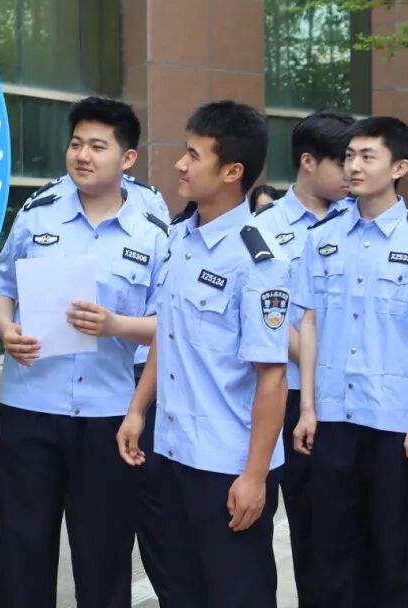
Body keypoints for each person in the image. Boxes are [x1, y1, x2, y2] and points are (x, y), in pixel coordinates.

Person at [0, 97, 168, 608]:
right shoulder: (36, 214)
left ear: (127, 158)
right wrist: (5, 328)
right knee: (22, 550)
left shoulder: (152, 233)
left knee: (103, 554)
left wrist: (116, 325)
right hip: (28, 406)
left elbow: (169, 327)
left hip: (107, 414)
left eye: (97, 146)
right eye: (76, 144)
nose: (82, 155)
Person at [118, 100, 289, 608]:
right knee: (180, 592)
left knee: (238, 595)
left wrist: (254, 476)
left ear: (233, 171)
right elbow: (167, 338)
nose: (180, 164)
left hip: (226, 465)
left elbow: (272, 377)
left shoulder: (258, 260)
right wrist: (137, 409)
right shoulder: (178, 239)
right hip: (170, 452)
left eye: (194, 155)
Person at [294, 117, 408, 608]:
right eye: (350, 156)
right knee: (334, 552)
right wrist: (307, 408)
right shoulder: (322, 237)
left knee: (395, 554)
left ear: (399, 167)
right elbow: (308, 323)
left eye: (368, 156)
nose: (354, 166)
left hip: (394, 422)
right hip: (333, 416)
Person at [247, 110, 356, 607]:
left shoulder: (358, 222)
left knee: (340, 526)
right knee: (296, 523)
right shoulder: (263, 228)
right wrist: (317, 365)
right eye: (343, 161)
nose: (354, 171)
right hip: (286, 393)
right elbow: (273, 314)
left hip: (345, 397)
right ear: (309, 162)